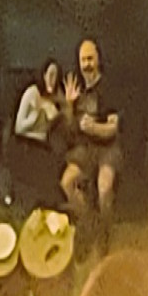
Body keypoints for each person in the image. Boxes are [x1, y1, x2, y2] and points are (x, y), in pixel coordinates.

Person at [61, 39, 121, 217]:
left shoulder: (108, 88)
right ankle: (88, 219)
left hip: (107, 148)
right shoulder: (78, 89)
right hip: (86, 148)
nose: (87, 64)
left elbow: (113, 127)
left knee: (104, 189)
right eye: (83, 60)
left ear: (98, 60)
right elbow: (70, 130)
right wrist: (69, 105)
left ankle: (105, 225)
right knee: (67, 183)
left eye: (90, 59)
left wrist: (94, 128)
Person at [15, 60, 63, 145]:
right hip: (26, 143)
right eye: (50, 74)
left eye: (55, 76)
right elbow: (18, 128)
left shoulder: (56, 98)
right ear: (44, 75)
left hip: (44, 145)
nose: (52, 80)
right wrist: (34, 116)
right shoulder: (32, 93)